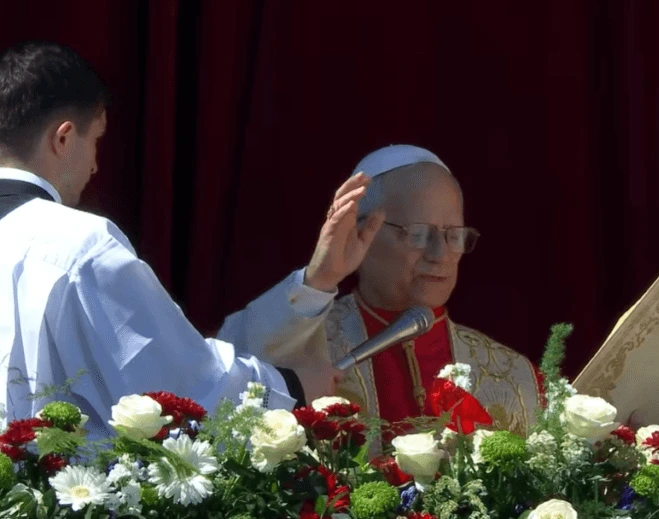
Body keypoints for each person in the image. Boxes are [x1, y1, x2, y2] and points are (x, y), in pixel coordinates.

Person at [0, 40, 339, 440]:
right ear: (63, 139)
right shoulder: (76, 244)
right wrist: (293, 388)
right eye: (96, 141)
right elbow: (180, 389)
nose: (94, 165)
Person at [220, 145, 541, 443]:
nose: (440, 254)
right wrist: (320, 279)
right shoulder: (304, 341)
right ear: (361, 233)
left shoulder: (512, 374)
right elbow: (224, 376)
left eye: (454, 236)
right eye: (419, 234)